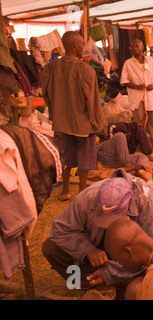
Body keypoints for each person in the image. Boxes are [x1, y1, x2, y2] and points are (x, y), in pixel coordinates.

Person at [41, 170, 153, 294]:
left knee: (143, 281)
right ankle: (92, 287)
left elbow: (150, 250)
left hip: (130, 255)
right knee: (51, 248)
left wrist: (110, 273)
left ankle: (116, 284)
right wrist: (87, 249)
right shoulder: (89, 197)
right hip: (97, 246)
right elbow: (60, 230)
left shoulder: (144, 198)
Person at [42, 31, 107, 201]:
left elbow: (46, 95)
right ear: (76, 45)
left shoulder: (50, 67)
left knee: (66, 156)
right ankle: (82, 193)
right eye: (82, 44)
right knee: (85, 159)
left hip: (62, 121)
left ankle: (65, 191)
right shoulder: (86, 70)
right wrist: (98, 123)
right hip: (83, 123)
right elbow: (92, 101)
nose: (84, 48)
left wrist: (55, 114)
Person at [120, 39, 153, 151]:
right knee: (138, 122)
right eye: (134, 47)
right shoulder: (128, 63)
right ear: (131, 49)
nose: (136, 48)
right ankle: (139, 144)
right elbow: (124, 81)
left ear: (142, 48)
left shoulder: (151, 61)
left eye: (138, 46)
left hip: (151, 95)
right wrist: (136, 86)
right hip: (137, 96)